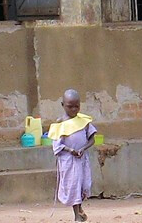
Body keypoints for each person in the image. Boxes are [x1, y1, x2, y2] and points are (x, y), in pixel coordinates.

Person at [51, 89, 97, 222]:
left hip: (82, 159)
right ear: (62, 105)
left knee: (83, 185)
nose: (73, 109)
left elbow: (92, 139)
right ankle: (77, 214)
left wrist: (83, 148)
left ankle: (80, 208)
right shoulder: (60, 122)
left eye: (76, 106)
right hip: (68, 161)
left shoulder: (83, 121)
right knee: (73, 186)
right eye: (70, 106)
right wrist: (70, 150)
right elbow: (57, 145)